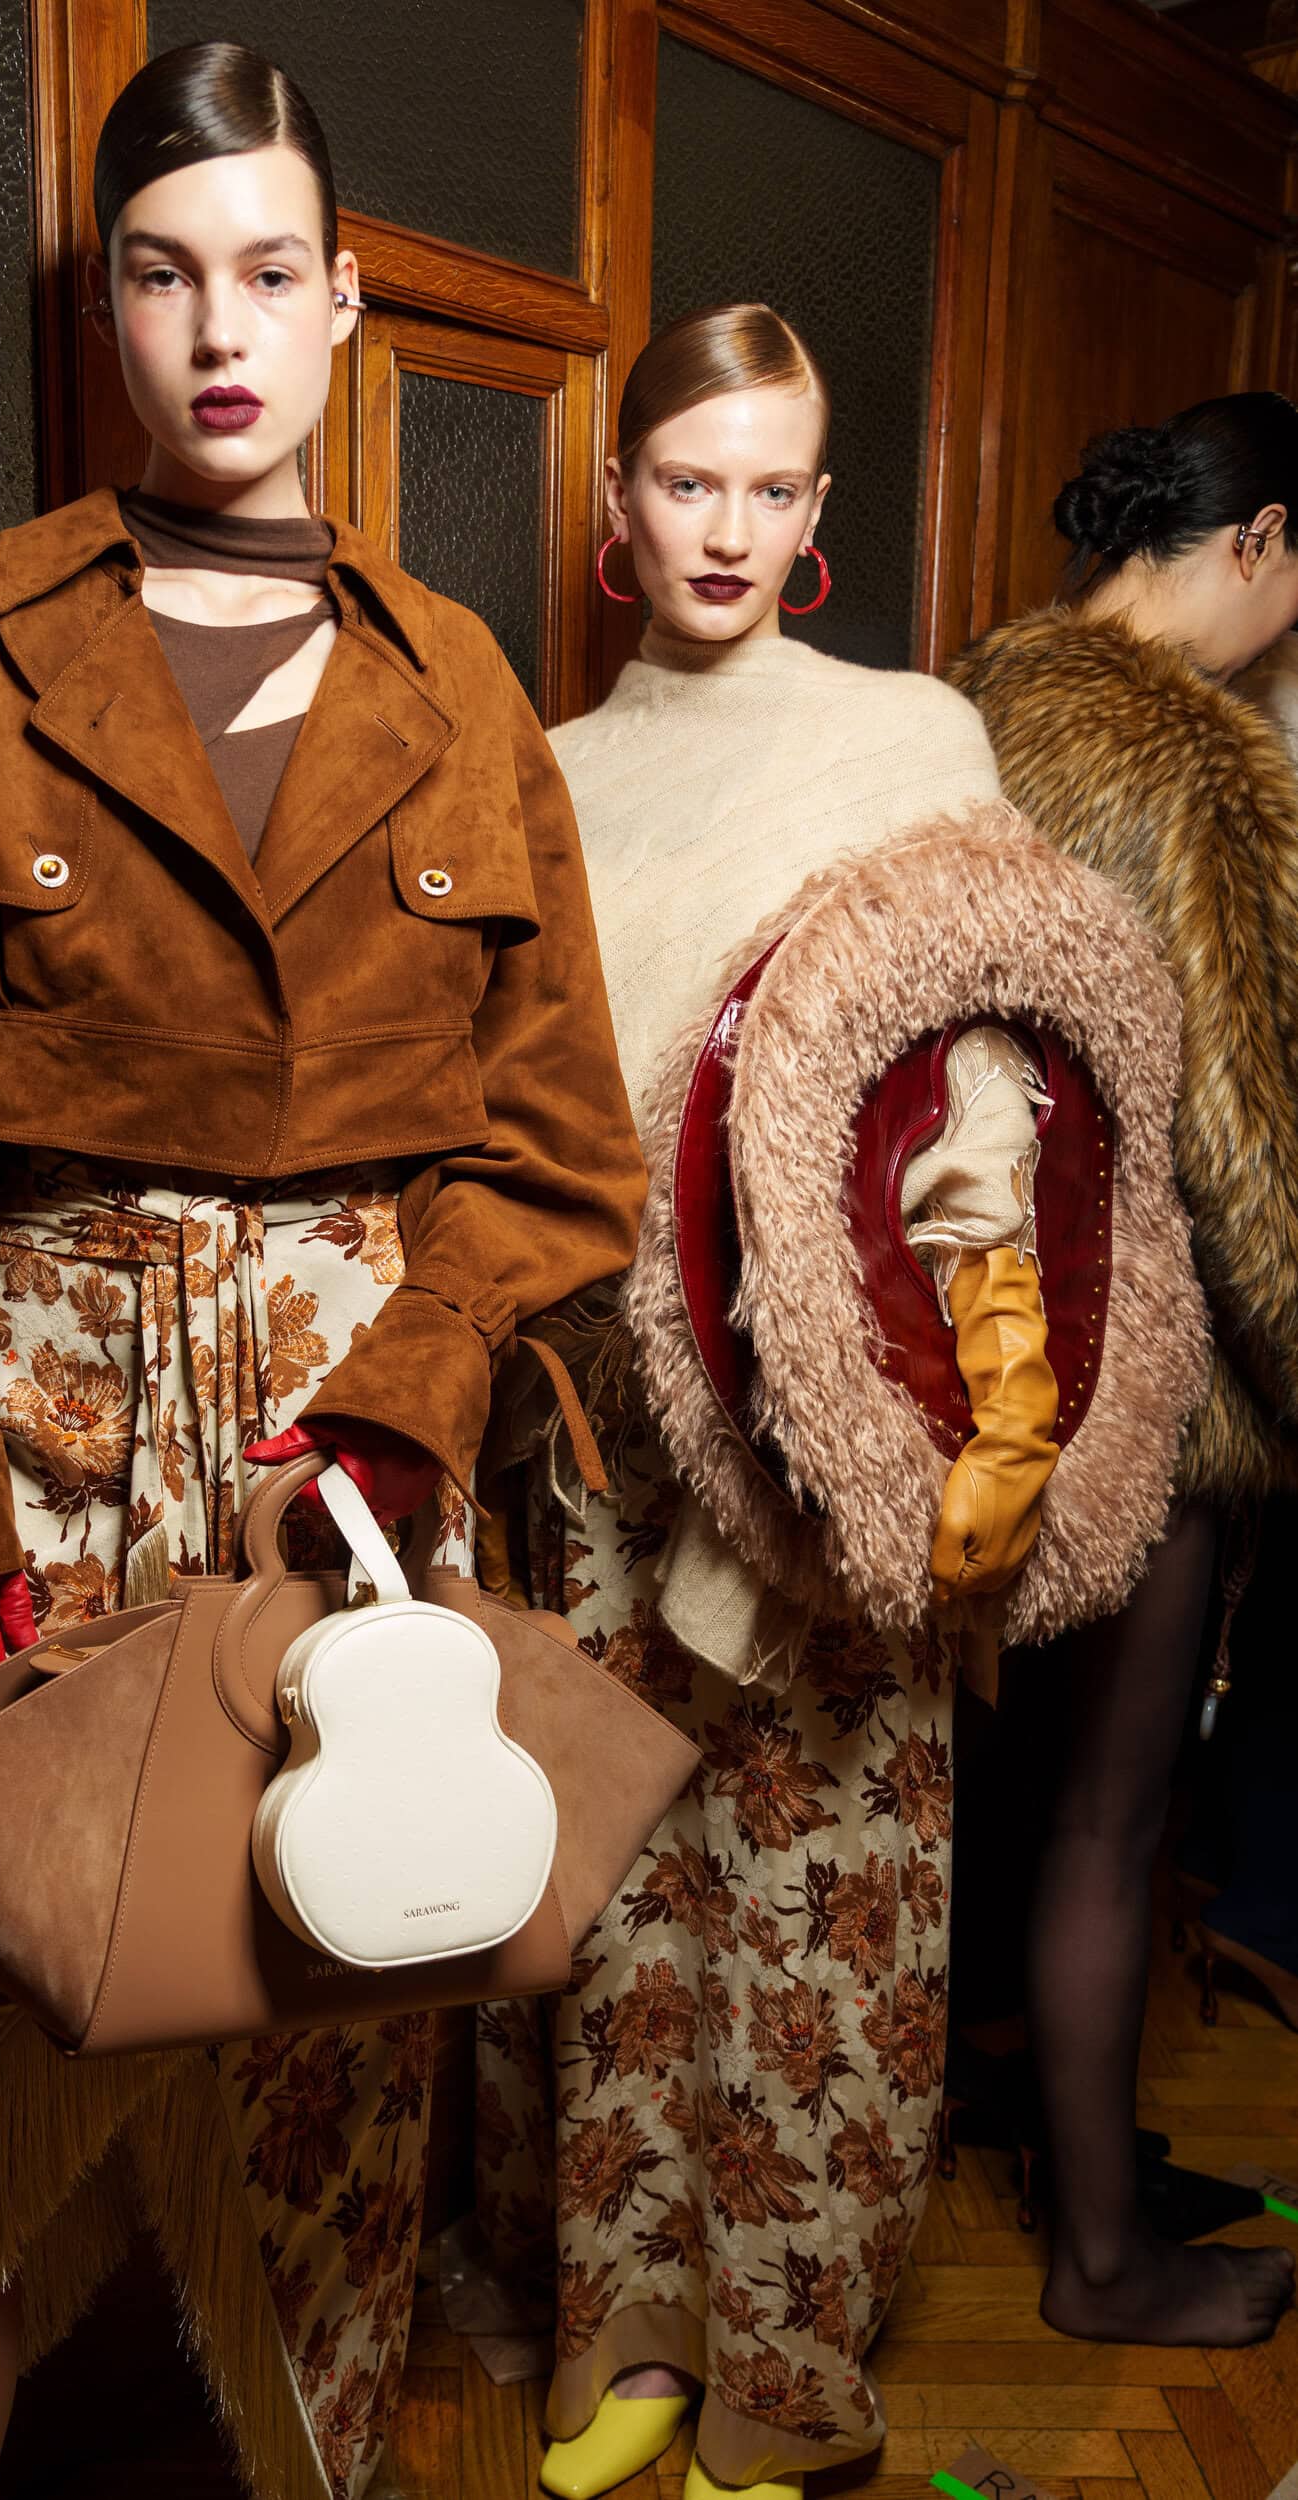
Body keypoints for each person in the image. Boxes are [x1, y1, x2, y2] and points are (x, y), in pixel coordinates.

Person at [0, 41, 644, 2500]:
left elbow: (556, 1134)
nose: (218, 330)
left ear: (344, 298)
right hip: (42, 1445)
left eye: (268, 272)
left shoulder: (460, 679)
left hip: (349, 1466)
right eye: (164, 277)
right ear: (107, 312)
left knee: (346, 2018)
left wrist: (418, 1382)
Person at [475, 304, 1087, 2500]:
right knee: (613, 1873)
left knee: (824, 1892)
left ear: (818, 506)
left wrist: (989, 1368)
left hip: (831, 1418)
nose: (723, 527)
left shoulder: (910, 736)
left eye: (768, 485)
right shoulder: (540, 767)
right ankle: (624, 2321)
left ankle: (786, 2370)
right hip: (597, 1418)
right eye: (685, 480)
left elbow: (981, 1048)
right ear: (616, 498)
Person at [947, 394, 1298, 2346]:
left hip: (980, 1353)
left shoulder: (967, 701)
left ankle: (1021, 2111)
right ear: (1255, 538)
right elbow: (1242, 1156)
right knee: (1108, 1812)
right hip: (1151, 1374)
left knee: (1001, 1776)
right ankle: (1101, 2260)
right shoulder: (1192, 763)